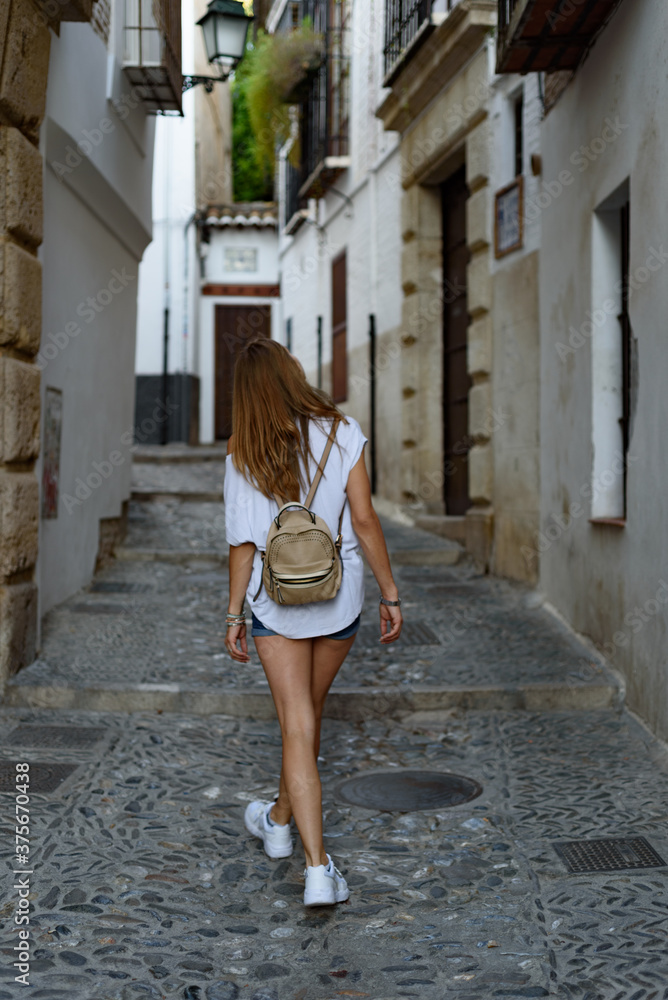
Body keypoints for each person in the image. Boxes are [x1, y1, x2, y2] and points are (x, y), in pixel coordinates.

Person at [223, 339, 402, 907]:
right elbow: (366, 518)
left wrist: (233, 613)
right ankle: (278, 822)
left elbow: (243, 545)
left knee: (298, 723)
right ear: (292, 374)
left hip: (275, 603)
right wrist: (390, 592)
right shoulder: (342, 430)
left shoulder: (240, 451)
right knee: (307, 716)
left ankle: (316, 868)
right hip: (338, 599)